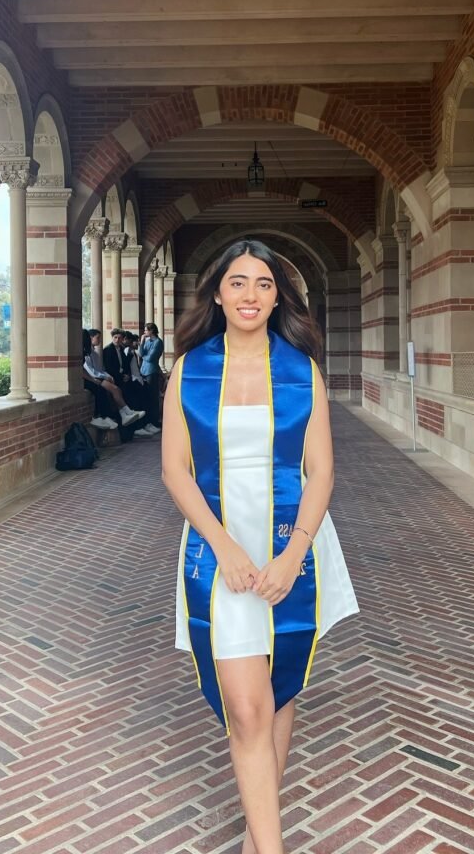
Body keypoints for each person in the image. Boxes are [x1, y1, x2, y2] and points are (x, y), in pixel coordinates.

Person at [161, 239, 359, 854]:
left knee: (277, 697)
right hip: (221, 551)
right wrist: (223, 547)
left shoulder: (302, 369)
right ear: (217, 293)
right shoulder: (189, 370)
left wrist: (295, 551)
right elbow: (176, 471)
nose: (251, 295)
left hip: (290, 546)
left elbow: (321, 472)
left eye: (265, 284)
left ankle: (256, 842)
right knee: (245, 710)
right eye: (239, 283)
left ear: (279, 297)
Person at [82, 329, 143, 428]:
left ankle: (125, 413)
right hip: (94, 378)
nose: (100, 340)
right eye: (98, 338)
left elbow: (100, 368)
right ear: (90, 338)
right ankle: (122, 413)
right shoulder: (92, 352)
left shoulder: (94, 352)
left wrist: (107, 375)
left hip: (100, 376)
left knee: (118, 389)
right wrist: (106, 376)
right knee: (115, 389)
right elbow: (90, 371)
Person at [138, 322, 164, 431]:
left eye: (146, 330)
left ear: (151, 331)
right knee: (147, 396)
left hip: (151, 371)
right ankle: (148, 420)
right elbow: (141, 353)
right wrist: (142, 342)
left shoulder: (158, 342)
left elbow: (150, 358)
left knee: (153, 397)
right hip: (143, 370)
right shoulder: (148, 341)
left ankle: (154, 420)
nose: (144, 332)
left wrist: (144, 354)